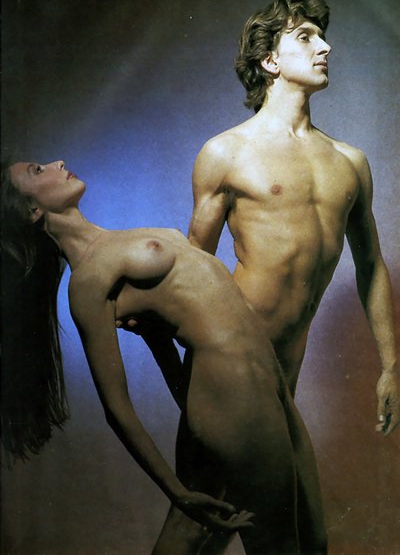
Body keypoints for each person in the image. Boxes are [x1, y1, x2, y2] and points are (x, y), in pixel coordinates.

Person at [151, 0, 400, 553]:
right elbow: (194, 268)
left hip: (283, 375)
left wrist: (391, 366)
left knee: (219, 528)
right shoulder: (226, 152)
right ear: (269, 60)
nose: (325, 47)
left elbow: (371, 266)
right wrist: (181, 367)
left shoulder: (350, 162)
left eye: (322, 36)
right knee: (212, 524)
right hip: (230, 366)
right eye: (306, 36)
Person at [1, 159, 327, 554]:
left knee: (314, 540)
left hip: (264, 380)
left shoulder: (117, 239)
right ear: (32, 210)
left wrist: (157, 341)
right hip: (233, 393)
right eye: (37, 171)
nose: (57, 164)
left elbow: (169, 335)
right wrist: (177, 491)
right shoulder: (88, 280)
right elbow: (116, 406)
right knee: (280, 546)